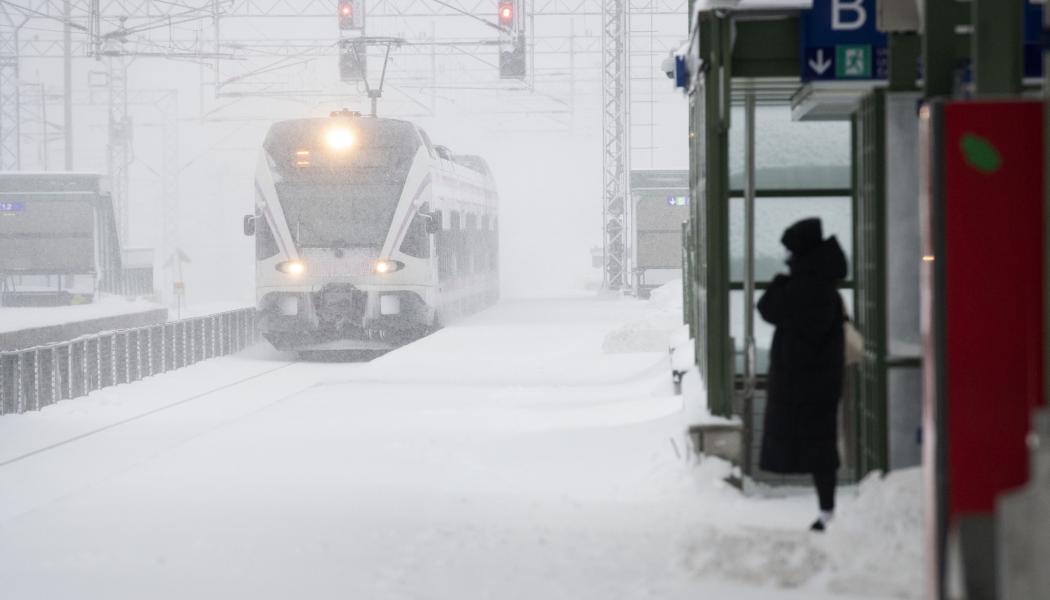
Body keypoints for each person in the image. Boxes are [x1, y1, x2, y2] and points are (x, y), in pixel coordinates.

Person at [756, 217, 847, 532]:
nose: (786, 257)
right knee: (820, 444)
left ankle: (827, 510)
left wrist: (781, 282)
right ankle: (827, 508)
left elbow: (768, 307)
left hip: (807, 382)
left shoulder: (808, 287)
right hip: (816, 381)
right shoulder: (821, 285)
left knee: (818, 446)